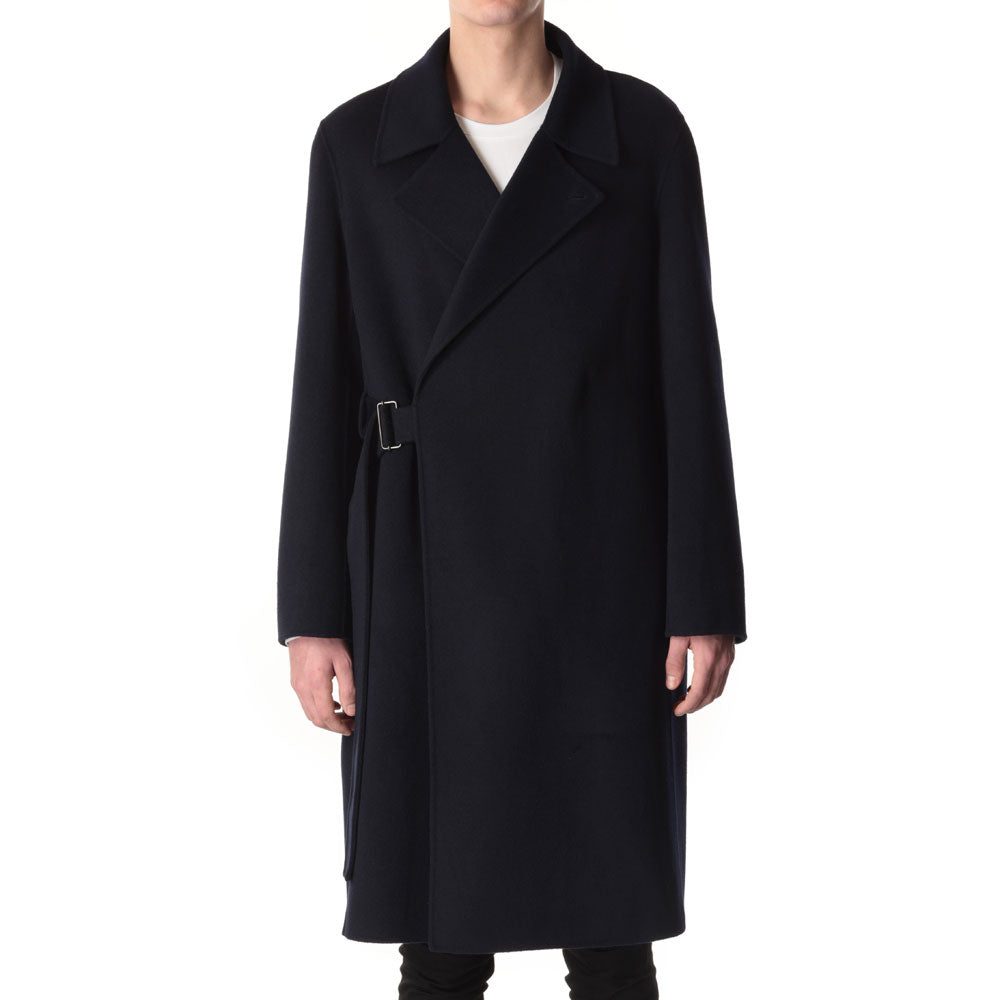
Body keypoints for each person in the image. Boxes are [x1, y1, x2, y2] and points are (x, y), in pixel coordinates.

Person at [277, 4, 746, 998]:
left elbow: (688, 376)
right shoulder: (356, 144)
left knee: (611, 929)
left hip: (605, 569)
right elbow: (324, 387)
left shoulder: (642, 133)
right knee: (440, 938)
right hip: (419, 570)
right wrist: (311, 613)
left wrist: (704, 594)